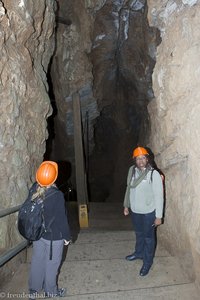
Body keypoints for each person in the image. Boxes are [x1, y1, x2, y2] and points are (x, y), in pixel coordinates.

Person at [28, 161, 71, 300]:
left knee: (37, 260)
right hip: (53, 237)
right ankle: (51, 291)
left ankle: (34, 290)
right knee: (52, 264)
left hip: (38, 234)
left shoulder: (34, 189)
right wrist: (67, 236)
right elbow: (61, 219)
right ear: (55, 177)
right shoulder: (57, 195)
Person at [123, 147, 164, 276]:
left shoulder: (153, 174)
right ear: (135, 160)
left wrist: (158, 216)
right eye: (138, 158)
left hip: (148, 212)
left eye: (143, 158)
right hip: (136, 211)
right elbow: (129, 189)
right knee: (139, 234)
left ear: (147, 159)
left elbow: (159, 196)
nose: (140, 161)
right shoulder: (132, 171)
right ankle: (139, 253)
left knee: (148, 238)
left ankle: (147, 262)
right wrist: (126, 205)